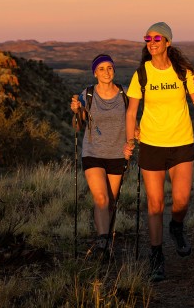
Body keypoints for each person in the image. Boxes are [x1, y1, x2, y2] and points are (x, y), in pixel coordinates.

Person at [123, 22, 194, 282]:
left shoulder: (183, 71)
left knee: (181, 201)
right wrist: (129, 139)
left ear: (167, 42)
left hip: (181, 142)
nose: (152, 41)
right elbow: (131, 111)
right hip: (152, 144)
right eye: (148, 37)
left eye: (157, 38)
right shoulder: (142, 74)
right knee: (155, 205)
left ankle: (177, 227)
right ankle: (156, 255)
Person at [71, 54, 135, 256]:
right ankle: (102, 244)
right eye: (101, 69)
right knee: (101, 198)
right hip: (93, 153)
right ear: (95, 73)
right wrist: (77, 111)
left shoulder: (125, 94)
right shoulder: (87, 94)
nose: (106, 72)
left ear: (114, 70)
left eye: (109, 68)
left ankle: (107, 239)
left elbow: (133, 124)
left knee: (111, 202)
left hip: (117, 155)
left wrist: (133, 142)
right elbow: (77, 126)